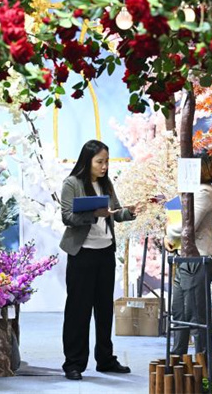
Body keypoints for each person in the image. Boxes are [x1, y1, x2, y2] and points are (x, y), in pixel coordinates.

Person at [60, 139, 137, 381]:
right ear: (88, 161)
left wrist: (128, 213)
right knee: (78, 311)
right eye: (100, 162)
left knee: (104, 310)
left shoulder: (106, 183)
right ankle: (73, 363)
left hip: (105, 253)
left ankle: (105, 359)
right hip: (82, 254)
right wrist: (93, 214)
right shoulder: (71, 184)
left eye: (106, 161)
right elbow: (67, 217)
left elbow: (114, 212)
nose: (104, 166)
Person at [165, 152, 212, 356]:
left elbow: (189, 225)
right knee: (179, 311)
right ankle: (177, 359)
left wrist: (169, 232)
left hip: (200, 259)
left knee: (196, 316)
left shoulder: (204, 192)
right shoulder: (194, 191)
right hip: (186, 259)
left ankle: (203, 364)